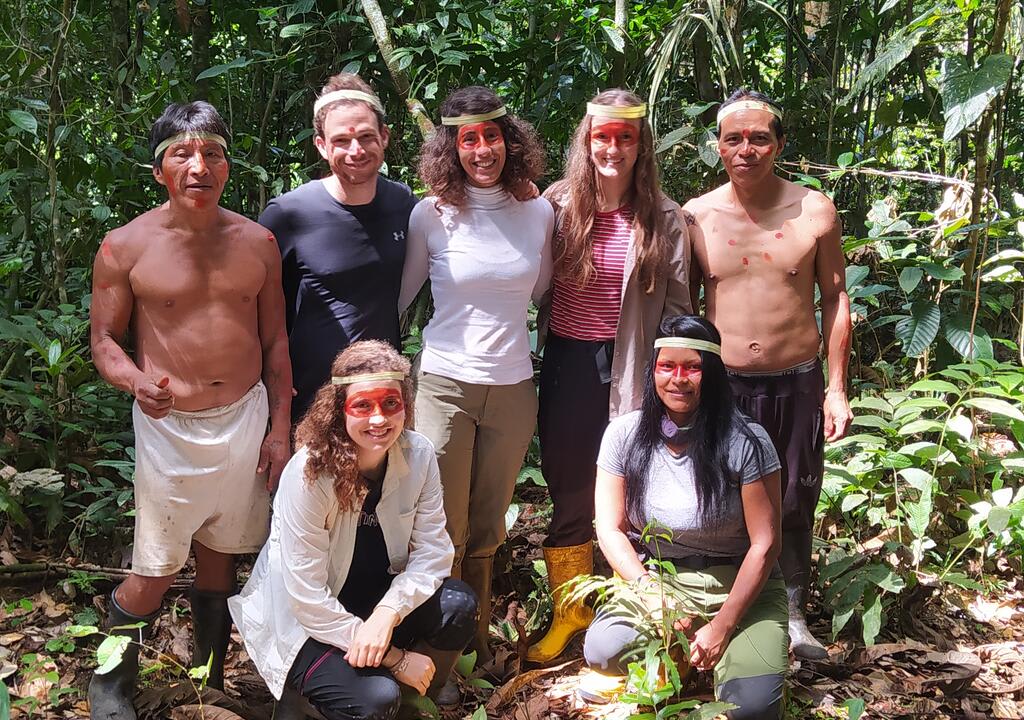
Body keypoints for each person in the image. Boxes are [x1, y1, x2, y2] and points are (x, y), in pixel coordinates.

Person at [88, 101, 292, 719]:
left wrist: (280, 430)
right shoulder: (125, 246)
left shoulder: (257, 242)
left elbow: (277, 342)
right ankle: (109, 680)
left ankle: (209, 674)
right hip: (169, 427)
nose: (199, 165)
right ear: (160, 171)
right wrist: (133, 381)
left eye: (213, 153)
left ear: (228, 166)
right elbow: (103, 340)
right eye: (183, 153)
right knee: (155, 564)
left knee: (222, 550)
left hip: (246, 415)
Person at [684, 88, 852, 659]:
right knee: (722, 493)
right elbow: (683, 312)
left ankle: (793, 611)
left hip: (796, 380)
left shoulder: (814, 210)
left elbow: (835, 298)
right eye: (734, 138)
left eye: (759, 138)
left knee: (797, 493)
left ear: (779, 145)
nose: (746, 149)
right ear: (718, 147)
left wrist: (836, 389)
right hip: (723, 384)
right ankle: (727, 602)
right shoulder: (698, 216)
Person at [229, 341, 478, 720]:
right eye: (363, 406)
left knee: (458, 604)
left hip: (374, 601)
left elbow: (433, 552)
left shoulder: (418, 453)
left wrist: (386, 615)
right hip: (306, 620)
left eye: (390, 404)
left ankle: (412, 700)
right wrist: (395, 658)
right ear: (338, 409)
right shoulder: (309, 473)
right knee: (375, 698)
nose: (379, 419)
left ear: (406, 406)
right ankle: (306, 699)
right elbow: (307, 597)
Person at [529, 89, 692, 664]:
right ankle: (571, 614)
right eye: (603, 135)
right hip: (570, 361)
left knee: (638, 485)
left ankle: (636, 616)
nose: (613, 147)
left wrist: (672, 382)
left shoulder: (665, 216)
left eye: (626, 137)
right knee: (569, 482)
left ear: (641, 143)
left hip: (634, 365)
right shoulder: (556, 204)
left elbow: (677, 310)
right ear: (587, 139)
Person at [399, 86, 553, 674]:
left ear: (508, 142)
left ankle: (480, 644)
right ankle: (440, 653)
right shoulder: (430, 214)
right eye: (468, 139)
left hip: (513, 387)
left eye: (490, 136)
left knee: (489, 523)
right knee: (445, 525)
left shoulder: (539, 212)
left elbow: (540, 294)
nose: (482, 149)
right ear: (451, 146)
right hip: (444, 383)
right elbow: (404, 295)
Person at [583, 315, 788, 720]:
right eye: (667, 367)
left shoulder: (745, 441)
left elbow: (766, 544)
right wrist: (646, 592)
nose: (678, 379)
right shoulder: (624, 435)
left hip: (740, 587)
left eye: (692, 367)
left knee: (751, 710)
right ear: (653, 371)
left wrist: (722, 626)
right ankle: (681, 654)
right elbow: (609, 528)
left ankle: (718, 651)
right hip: (662, 581)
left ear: (710, 374)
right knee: (602, 650)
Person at [259, 73, 417, 423]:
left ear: (385, 137)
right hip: (311, 398)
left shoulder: (403, 203)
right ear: (321, 145)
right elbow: (258, 311)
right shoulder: (288, 214)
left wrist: (518, 190)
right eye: (342, 140)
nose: (355, 151)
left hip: (381, 399)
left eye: (365, 137)